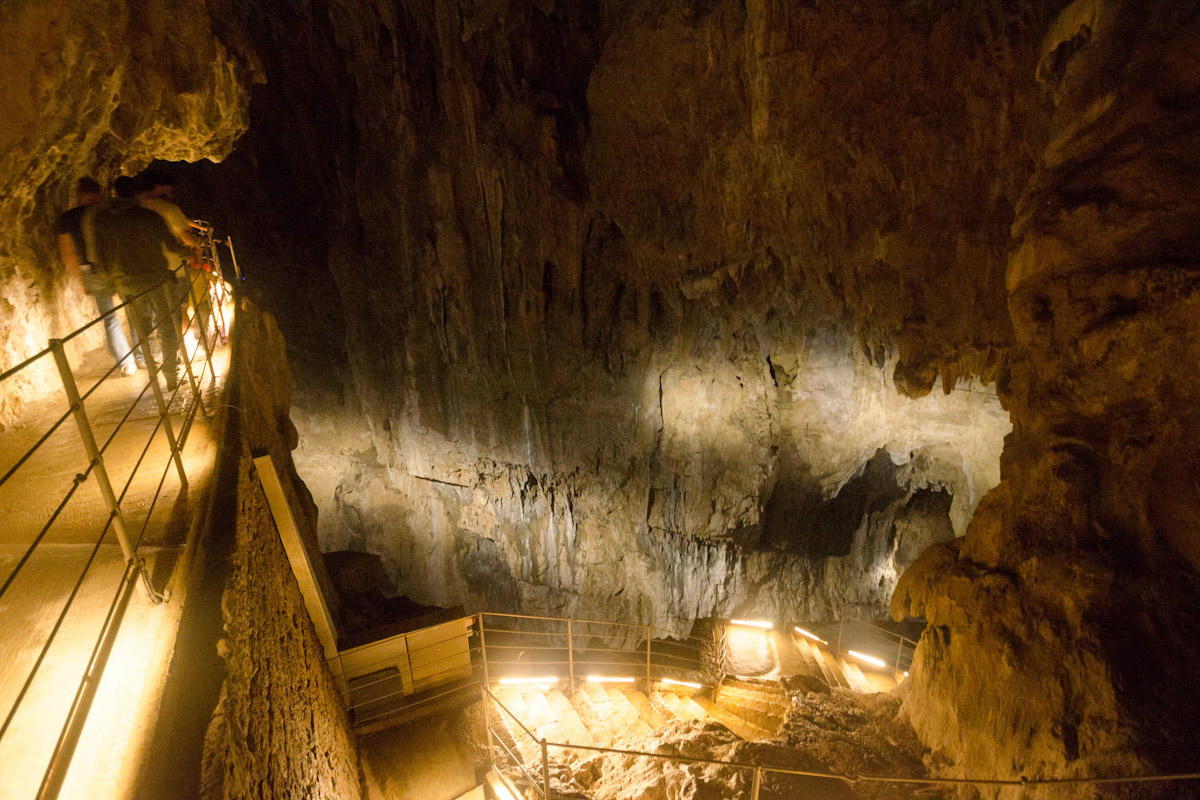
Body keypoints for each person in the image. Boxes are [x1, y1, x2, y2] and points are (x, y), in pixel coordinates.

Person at [84, 176, 188, 390]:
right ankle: (171, 376)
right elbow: (171, 245)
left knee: (142, 329)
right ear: (137, 194)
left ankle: (151, 372)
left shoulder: (101, 221)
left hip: (126, 284)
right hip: (157, 279)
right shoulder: (149, 216)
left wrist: (112, 280)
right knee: (167, 326)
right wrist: (189, 252)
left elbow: (98, 256)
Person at [55, 177, 138, 375]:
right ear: (100, 191)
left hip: (91, 270)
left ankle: (127, 362)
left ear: (79, 195)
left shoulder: (68, 218)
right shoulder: (113, 210)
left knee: (110, 318)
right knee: (134, 310)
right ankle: (144, 356)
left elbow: (68, 254)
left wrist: (80, 279)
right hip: (121, 266)